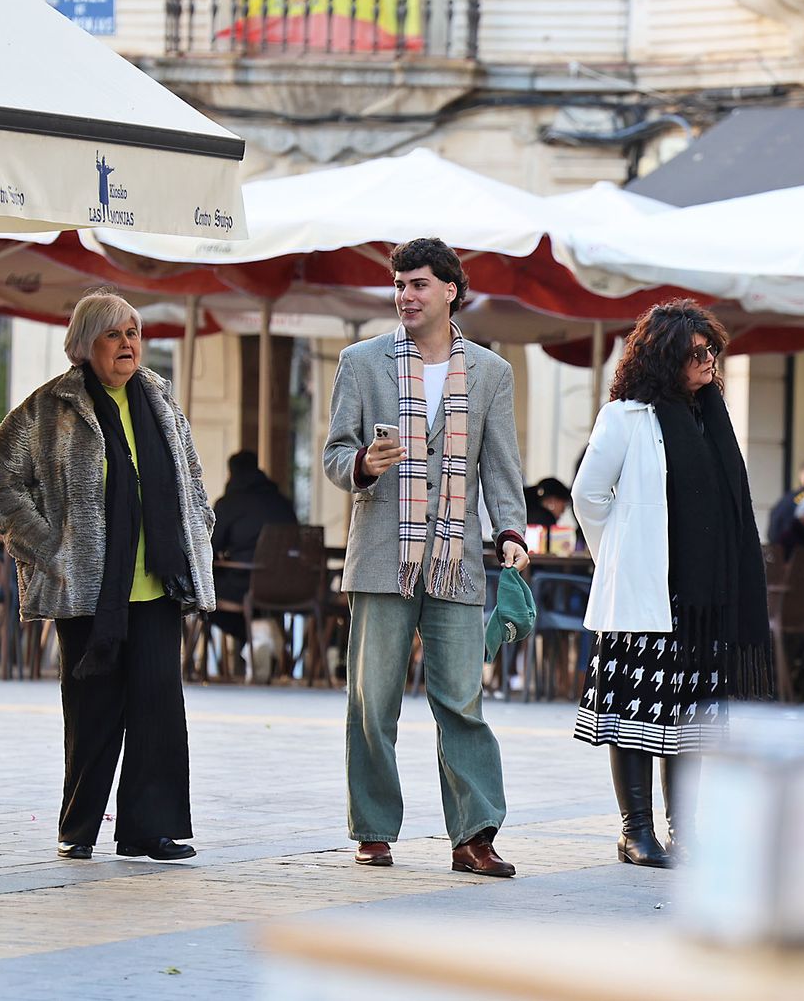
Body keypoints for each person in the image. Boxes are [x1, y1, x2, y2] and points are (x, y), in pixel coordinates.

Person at [0, 289, 215, 862]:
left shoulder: (159, 398)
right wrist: (47, 548)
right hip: (86, 588)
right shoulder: (50, 407)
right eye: (114, 334)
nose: (127, 344)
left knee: (158, 710)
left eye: (133, 333)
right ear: (86, 345)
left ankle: (148, 831)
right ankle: (78, 828)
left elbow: (190, 476)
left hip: (157, 584)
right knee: (92, 710)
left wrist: (199, 525)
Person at [323, 236, 529, 878]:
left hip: (456, 560)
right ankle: (373, 829)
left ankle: (474, 836)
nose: (405, 296)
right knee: (372, 702)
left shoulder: (491, 372)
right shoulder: (362, 363)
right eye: (399, 285)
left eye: (417, 285)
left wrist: (512, 533)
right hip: (381, 555)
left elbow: (501, 467)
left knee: (462, 702)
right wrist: (362, 463)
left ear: (449, 291)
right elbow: (335, 454)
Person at [571, 301, 772, 869]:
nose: (709, 361)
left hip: (704, 599)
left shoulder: (713, 417)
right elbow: (588, 496)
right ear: (665, 357)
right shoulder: (626, 417)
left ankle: (687, 830)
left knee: (693, 719)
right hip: (644, 594)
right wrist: (620, 556)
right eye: (697, 352)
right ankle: (635, 831)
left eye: (713, 351)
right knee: (632, 716)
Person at [210, 449, 298, 639]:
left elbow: (210, 548)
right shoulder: (283, 502)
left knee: (202, 594)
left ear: (231, 473)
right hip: (287, 587)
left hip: (244, 587)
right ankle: (259, 635)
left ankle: (252, 637)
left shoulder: (229, 504)